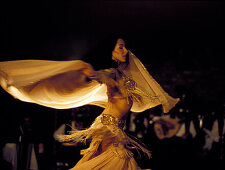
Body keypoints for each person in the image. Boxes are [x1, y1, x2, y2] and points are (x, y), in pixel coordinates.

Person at [0, 38, 179, 169]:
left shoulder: (126, 80)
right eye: (120, 47)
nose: (124, 50)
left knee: (104, 161)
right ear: (112, 53)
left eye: (125, 47)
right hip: (109, 126)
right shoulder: (112, 74)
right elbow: (103, 77)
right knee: (116, 160)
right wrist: (90, 71)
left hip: (111, 125)